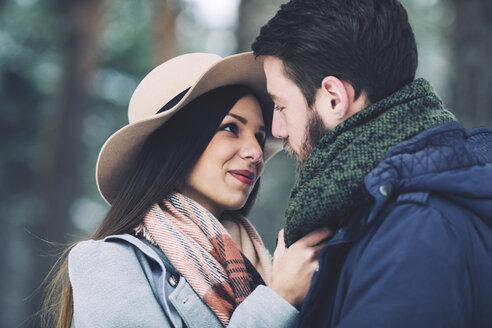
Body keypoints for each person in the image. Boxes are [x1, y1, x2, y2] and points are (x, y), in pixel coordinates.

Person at [42, 52, 332, 328]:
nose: (256, 153)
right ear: (179, 143)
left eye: (259, 136)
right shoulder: (109, 262)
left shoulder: (258, 265)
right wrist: (277, 301)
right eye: (231, 128)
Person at [251, 0, 492, 327]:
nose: (277, 131)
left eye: (281, 106)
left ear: (335, 98)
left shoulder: (413, 236)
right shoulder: (382, 206)